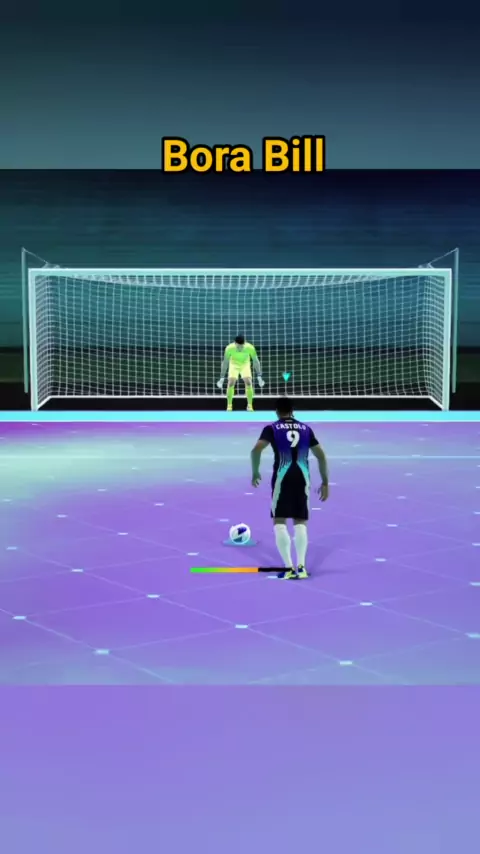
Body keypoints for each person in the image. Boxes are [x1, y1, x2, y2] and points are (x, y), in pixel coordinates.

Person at [250, 397, 329, 578]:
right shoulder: (306, 429)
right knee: (300, 521)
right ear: (293, 410)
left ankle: (288, 568)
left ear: (276, 411)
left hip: (282, 476)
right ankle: (301, 567)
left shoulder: (272, 428)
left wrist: (255, 472)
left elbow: (256, 450)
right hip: (302, 476)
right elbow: (321, 456)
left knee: (279, 520)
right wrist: (325, 482)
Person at [217, 334, 264, 411]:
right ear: (235, 343)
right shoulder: (229, 348)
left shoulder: (250, 348)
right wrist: (222, 377)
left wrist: (259, 376)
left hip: (245, 364)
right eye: (238, 347)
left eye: (242, 347)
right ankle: (229, 406)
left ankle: (249, 405)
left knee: (248, 382)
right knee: (231, 382)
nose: (240, 349)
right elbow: (225, 362)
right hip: (233, 364)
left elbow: (256, 361)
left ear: (244, 343)